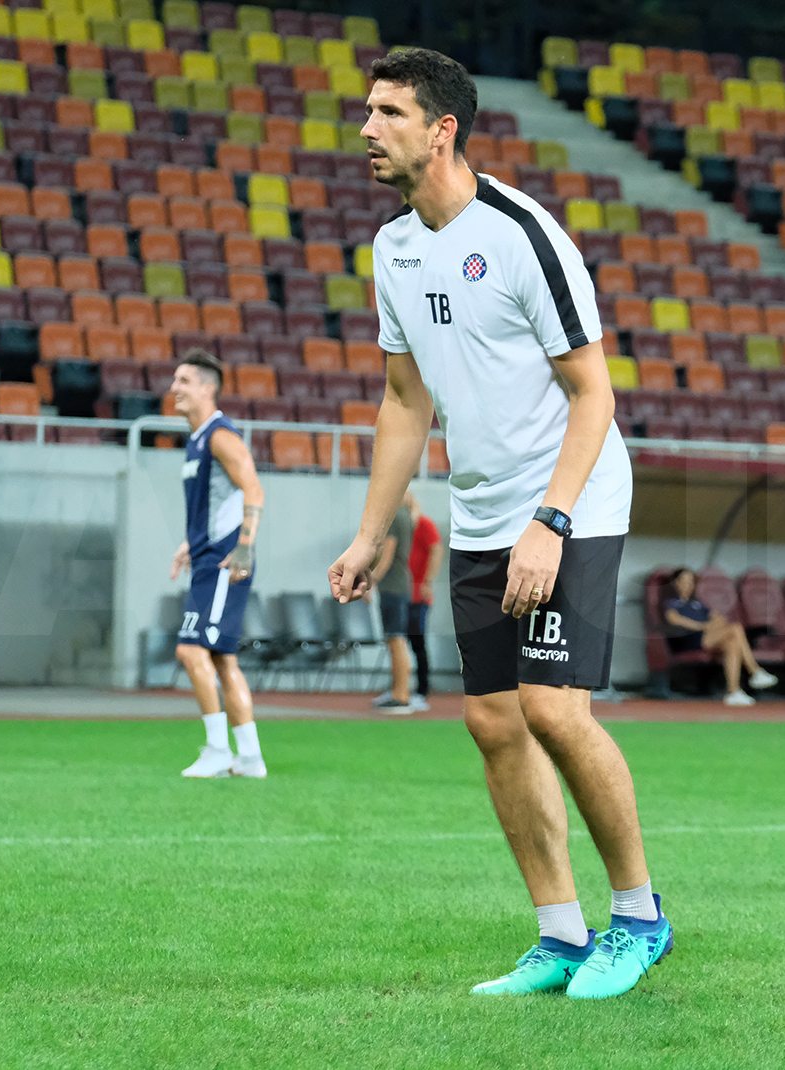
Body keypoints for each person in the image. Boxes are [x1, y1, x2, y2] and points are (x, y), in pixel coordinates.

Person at [328, 48, 670, 1001]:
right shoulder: (393, 249)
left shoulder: (525, 234)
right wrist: (372, 529)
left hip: (576, 496)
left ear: (441, 129)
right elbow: (404, 400)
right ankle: (560, 935)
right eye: (367, 111)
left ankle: (640, 919)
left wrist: (550, 522)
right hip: (481, 512)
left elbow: (593, 394)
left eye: (388, 112)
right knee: (491, 722)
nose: (366, 129)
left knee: (555, 708)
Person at [168, 350, 269, 779]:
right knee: (224, 661)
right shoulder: (195, 439)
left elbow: (254, 490)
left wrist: (244, 546)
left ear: (208, 389)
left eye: (184, 380)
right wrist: (189, 544)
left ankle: (216, 749)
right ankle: (249, 758)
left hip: (226, 562)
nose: (175, 387)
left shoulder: (220, 435)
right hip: (207, 557)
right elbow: (213, 505)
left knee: (191, 650)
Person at [663, 568, 778, 706]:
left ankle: (733, 692)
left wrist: (710, 625)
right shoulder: (670, 602)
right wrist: (701, 626)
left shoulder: (697, 603)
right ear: (676, 583)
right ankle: (754, 671)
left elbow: (719, 619)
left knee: (732, 644)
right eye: (684, 581)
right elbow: (675, 619)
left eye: (690, 581)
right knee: (735, 628)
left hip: (706, 636)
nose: (688, 585)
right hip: (688, 638)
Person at [368, 497, 415, 713]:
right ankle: (400, 691)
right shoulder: (406, 514)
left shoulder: (394, 515)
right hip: (402, 583)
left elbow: (387, 554)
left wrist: (371, 582)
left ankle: (400, 693)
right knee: (397, 639)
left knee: (394, 639)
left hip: (392, 586)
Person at [406, 491, 442, 710]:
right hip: (403, 593)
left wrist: (428, 581)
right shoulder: (399, 525)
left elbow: (436, 549)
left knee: (418, 642)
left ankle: (422, 689)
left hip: (418, 595)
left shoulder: (424, 524)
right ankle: (401, 687)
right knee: (400, 641)